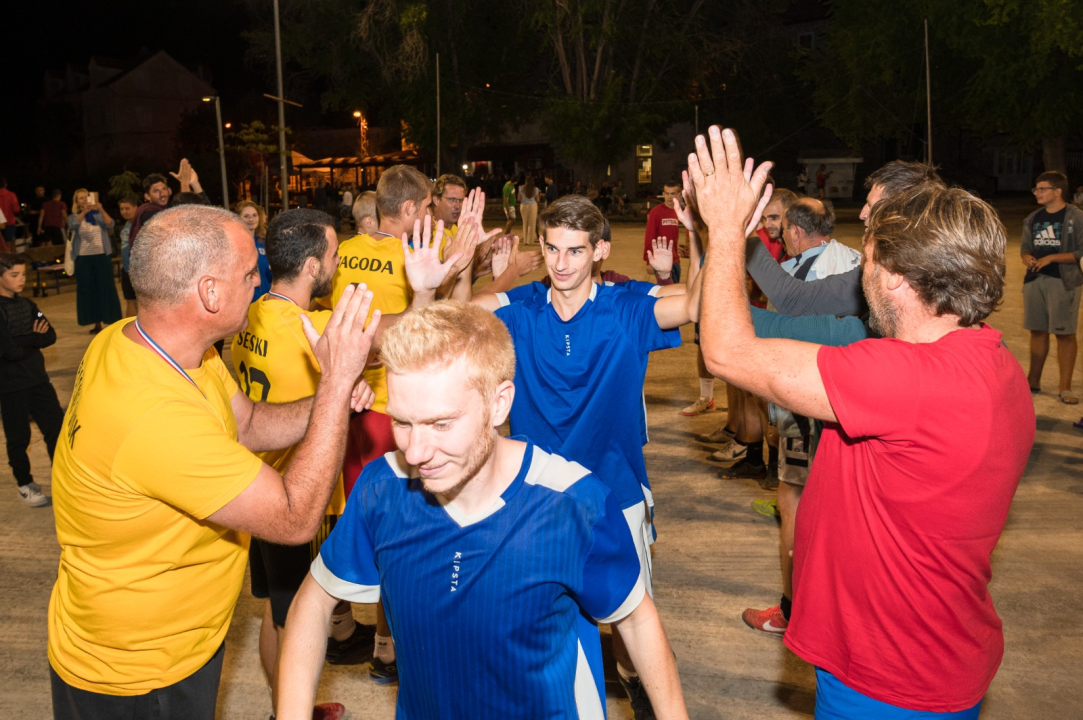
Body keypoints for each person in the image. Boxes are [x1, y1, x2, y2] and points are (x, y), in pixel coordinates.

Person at [693, 125, 1034, 718]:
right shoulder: (995, 364)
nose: (861, 267)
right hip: (942, 663)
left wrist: (724, 230)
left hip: (886, 682)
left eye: (870, 254)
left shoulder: (902, 379)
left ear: (898, 277)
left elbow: (725, 351)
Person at [275, 301, 689, 720]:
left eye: (440, 424)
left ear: (499, 403)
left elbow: (637, 623)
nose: (416, 451)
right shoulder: (383, 489)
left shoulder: (573, 504)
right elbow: (313, 601)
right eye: (403, 422)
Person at [47, 204, 380, 720]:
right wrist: (335, 384)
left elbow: (247, 426)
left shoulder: (144, 344)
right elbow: (293, 517)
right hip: (137, 673)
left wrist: (327, 404)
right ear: (209, 292)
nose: (259, 280)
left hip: (173, 642)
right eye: (250, 272)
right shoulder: (155, 415)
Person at [470, 195, 702, 719]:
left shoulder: (626, 308)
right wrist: (470, 268)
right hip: (537, 500)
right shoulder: (522, 308)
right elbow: (455, 318)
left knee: (629, 622)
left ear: (600, 250)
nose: (560, 263)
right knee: (538, 620)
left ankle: (635, 687)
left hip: (616, 492)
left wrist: (703, 239)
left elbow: (696, 306)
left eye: (575, 251)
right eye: (552, 248)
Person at [0, 252, 64, 508]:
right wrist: (31, 338)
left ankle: (63, 482)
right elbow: (10, 351)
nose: (21, 280)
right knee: (19, 437)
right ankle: (25, 484)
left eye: (23, 274)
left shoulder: (27, 305)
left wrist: (23, 338)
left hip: (38, 380)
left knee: (57, 431)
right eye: (14, 275)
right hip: (10, 385)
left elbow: (50, 337)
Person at [1021, 170, 1083, 403]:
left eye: (1042, 188)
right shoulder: (1033, 218)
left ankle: (1065, 387)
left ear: (1057, 191)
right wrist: (1027, 257)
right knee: (1037, 331)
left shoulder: (1076, 217)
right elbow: (1025, 247)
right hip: (1035, 281)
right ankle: (1033, 381)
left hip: (1063, 281)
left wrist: (1052, 258)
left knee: (1065, 334)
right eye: (1035, 189)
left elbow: (1081, 251)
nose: (1037, 192)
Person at [67, 188, 122, 334]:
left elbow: (110, 224)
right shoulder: (74, 216)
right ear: (76, 202)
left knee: (106, 288)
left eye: (86, 197)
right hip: (83, 258)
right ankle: (96, 323)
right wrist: (84, 212)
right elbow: (72, 225)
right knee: (89, 291)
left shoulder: (98, 215)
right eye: (81, 198)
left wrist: (101, 209)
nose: (84, 200)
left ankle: (111, 320)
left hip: (101, 255)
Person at [644, 181, 683, 285]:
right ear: (663, 194)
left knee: (674, 290)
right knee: (667, 292)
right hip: (661, 260)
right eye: (667, 193)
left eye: (673, 193)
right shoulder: (656, 212)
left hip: (675, 260)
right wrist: (648, 261)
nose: (669, 197)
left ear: (679, 194)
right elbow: (649, 237)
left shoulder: (678, 211)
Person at [236, 201, 273, 301]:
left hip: (265, 299)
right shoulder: (234, 244)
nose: (251, 219)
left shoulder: (264, 242)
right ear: (238, 219)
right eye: (246, 216)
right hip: (245, 301)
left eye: (254, 215)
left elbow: (270, 276)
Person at [116, 195, 139, 318]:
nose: (124, 212)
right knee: (130, 300)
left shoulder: (140, 224)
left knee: (142, 303)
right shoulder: (126, 226)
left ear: (136, 208)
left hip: (139, 270)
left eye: (127, 208)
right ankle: (130, 329)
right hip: (126, 269)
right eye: (121, 209)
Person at [518, 176, 541, 245]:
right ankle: (529, 241)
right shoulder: (535, 189)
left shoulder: (521, 188)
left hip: (523, 205)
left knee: (525, 222)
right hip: (533, 205)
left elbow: (519, 198)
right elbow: (538, 200)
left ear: (526, 181)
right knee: (532, 223)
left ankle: (525, 239)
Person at [0, 178, 19, 250]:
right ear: (5, 185)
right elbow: (16, 209)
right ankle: (10, 260)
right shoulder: (11, 195)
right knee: (10, 244)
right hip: (9, 223)